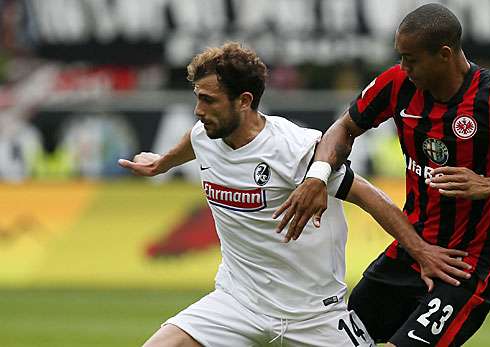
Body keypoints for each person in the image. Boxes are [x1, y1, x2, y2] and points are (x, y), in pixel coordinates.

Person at [118, 42, 471, 347]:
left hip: (313, 315)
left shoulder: (296, 149)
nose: (199, 111)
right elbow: (192, 141)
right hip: (237, 302)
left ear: (244, 101)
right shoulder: (204, 134)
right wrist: (162, 163)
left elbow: (368, 195)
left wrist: (422, 252)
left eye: (209, 100)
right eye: (198, 99)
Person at [274, 4, 490, 347]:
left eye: (411, 59)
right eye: (401, 57)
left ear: (444, 54)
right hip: (408, 253)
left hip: (464, 267)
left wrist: (488, 185)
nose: (404, 67)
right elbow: (344, 126)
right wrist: (317, 176)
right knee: (338, 342)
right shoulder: (397, 84)